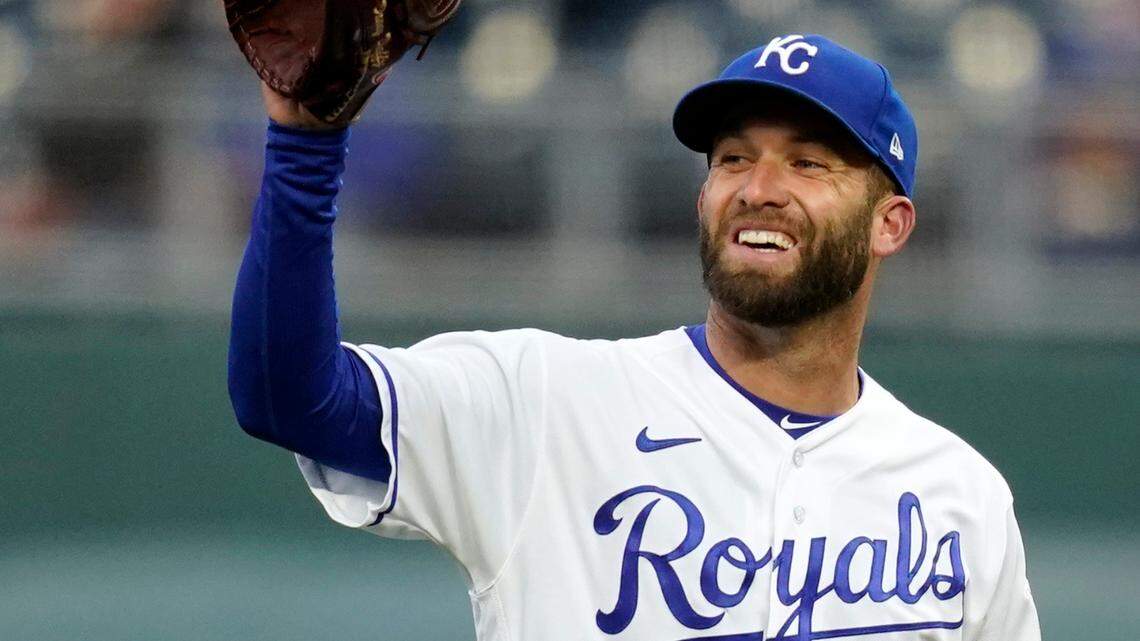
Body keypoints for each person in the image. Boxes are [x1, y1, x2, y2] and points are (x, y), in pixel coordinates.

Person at [228, 34, 1041, 640]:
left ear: (890, 223)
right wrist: (304, 143)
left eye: (809, 164)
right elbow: (287, 397)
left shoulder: (960, 498)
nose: (759, 189)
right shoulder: (545, 401)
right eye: (732, 158)